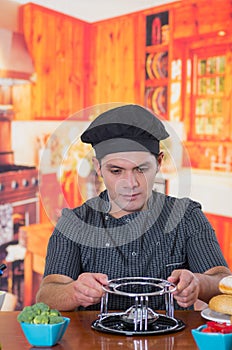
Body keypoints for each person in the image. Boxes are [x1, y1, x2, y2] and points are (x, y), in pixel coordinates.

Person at [36, 104, 231, 312]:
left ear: (158, 163)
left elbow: (222, 280)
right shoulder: (75, 223)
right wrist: (74, 291)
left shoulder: (186, 216)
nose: (130, 183)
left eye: (141, 169)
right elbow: (47, 294)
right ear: (98, 167)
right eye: (116, 170)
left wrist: (199, 283)